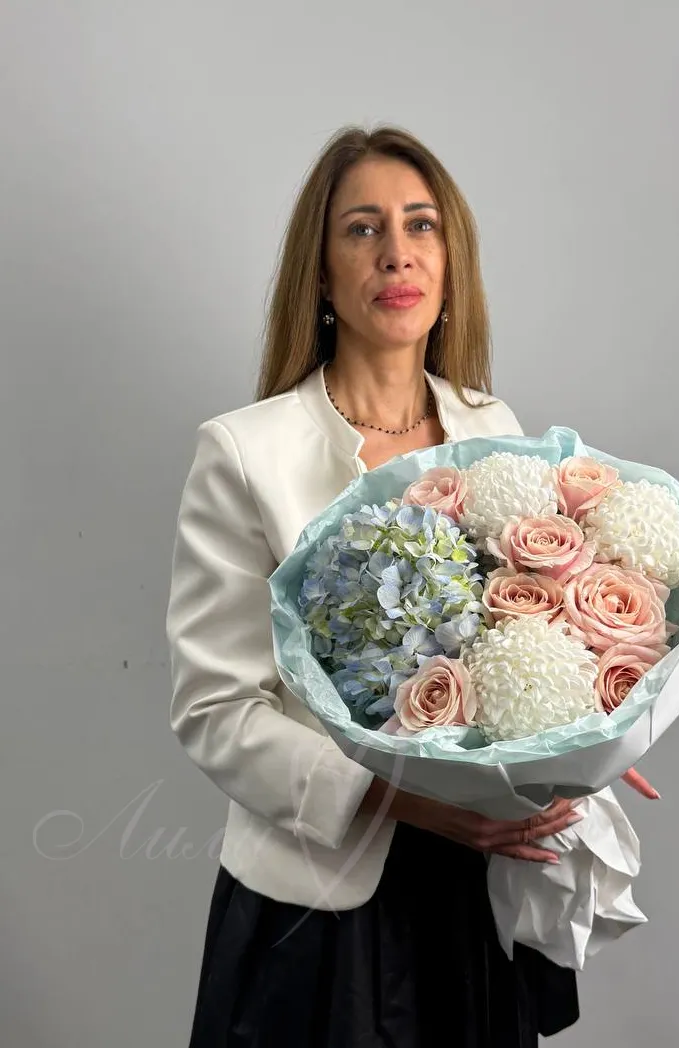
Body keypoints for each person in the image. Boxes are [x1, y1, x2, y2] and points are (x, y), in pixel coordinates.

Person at [166, 124, 653, 1047]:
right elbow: (214, 712)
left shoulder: (495, 427)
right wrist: (408, 802)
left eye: (421, 225)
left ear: (450, 260)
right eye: (362, 229)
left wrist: (592, 723)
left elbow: (529, 629)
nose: (397, 253)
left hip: (480, 889)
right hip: (320, 905)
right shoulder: (244, 452)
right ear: (320, 273)